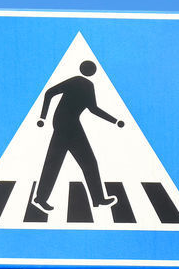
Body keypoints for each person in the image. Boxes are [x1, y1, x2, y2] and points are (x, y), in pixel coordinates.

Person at [32, 60, 125, 211]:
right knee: (57, 162)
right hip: (65, 125)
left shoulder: (87, 85)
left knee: (82, 161)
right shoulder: (79, 82)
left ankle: (98, 199)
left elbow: (93, 109)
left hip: (71, 125)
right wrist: (42, 117)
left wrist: (114, 121)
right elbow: (49, 93)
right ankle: (41, 198)